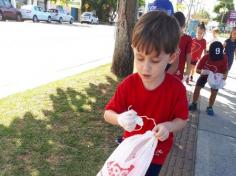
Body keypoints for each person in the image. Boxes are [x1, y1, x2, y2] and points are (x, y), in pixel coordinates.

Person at [104, 11, 188, 176]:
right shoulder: (128, 85)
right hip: (129, 150)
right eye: (140, 58)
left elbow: (182, 119)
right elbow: (108, 113)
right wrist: (119, 119)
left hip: (156, 155)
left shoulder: (176, 89)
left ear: (172, 56)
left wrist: (168, 126)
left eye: (155, 61)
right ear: (133, 49)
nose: (145, 67)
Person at [189, 41, 228, 116]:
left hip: (216, 77)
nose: (216, 59)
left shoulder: (224, 58)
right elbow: (197, 70)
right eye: (214, 57)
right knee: (197, 87)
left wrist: (225, 75)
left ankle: (210, 107)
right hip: (204, 75)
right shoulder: (205, 57)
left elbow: (225, 70)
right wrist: (203, 72)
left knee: (214, 92)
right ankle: (194, 103)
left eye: (218, 58)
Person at [167, 11, 192, 82]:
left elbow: (188, 54)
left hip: (179, 69)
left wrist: (188, 69)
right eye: (175, 27)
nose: (176, 30)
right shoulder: (167, 36)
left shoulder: (187, 39)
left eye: (179, 27)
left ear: (183, 26)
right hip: (165, 68)